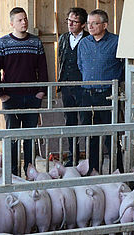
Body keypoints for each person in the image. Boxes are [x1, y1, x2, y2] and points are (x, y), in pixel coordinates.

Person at [0, 7, 48, 176]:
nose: (24, 22)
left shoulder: (35, 42)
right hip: (11, 97)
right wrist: (0, 93)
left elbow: (43, 68)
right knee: (12, 137)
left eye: (25, 19)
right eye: (19, 20)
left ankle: (30, 171)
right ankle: (13, 172)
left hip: (32, 96)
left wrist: (41, 92)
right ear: (12, 23)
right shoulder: (3, 43)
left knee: (30, 136)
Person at [77, 9, 124, 173]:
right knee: (91, 135)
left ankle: (118, 171)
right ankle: (94, 170)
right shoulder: (83, 43)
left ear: (105, 25)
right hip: (88, 95)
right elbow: (81, 66)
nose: (90, 26)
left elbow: (123, 67)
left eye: (94, 23)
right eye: (89, 23)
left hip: (108, 95)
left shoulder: (116, 42)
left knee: (112, 136)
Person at [58, 7, 89, 167]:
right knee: (69, 121)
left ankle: (89, 156)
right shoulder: (63, 38)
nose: (70, 24)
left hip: (83, 87)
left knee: (85, 121)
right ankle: (72, 156)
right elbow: (60, 60)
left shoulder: (89, 39)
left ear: (83, 24)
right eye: (69, 20)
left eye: (74, 21)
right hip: (67, 86)